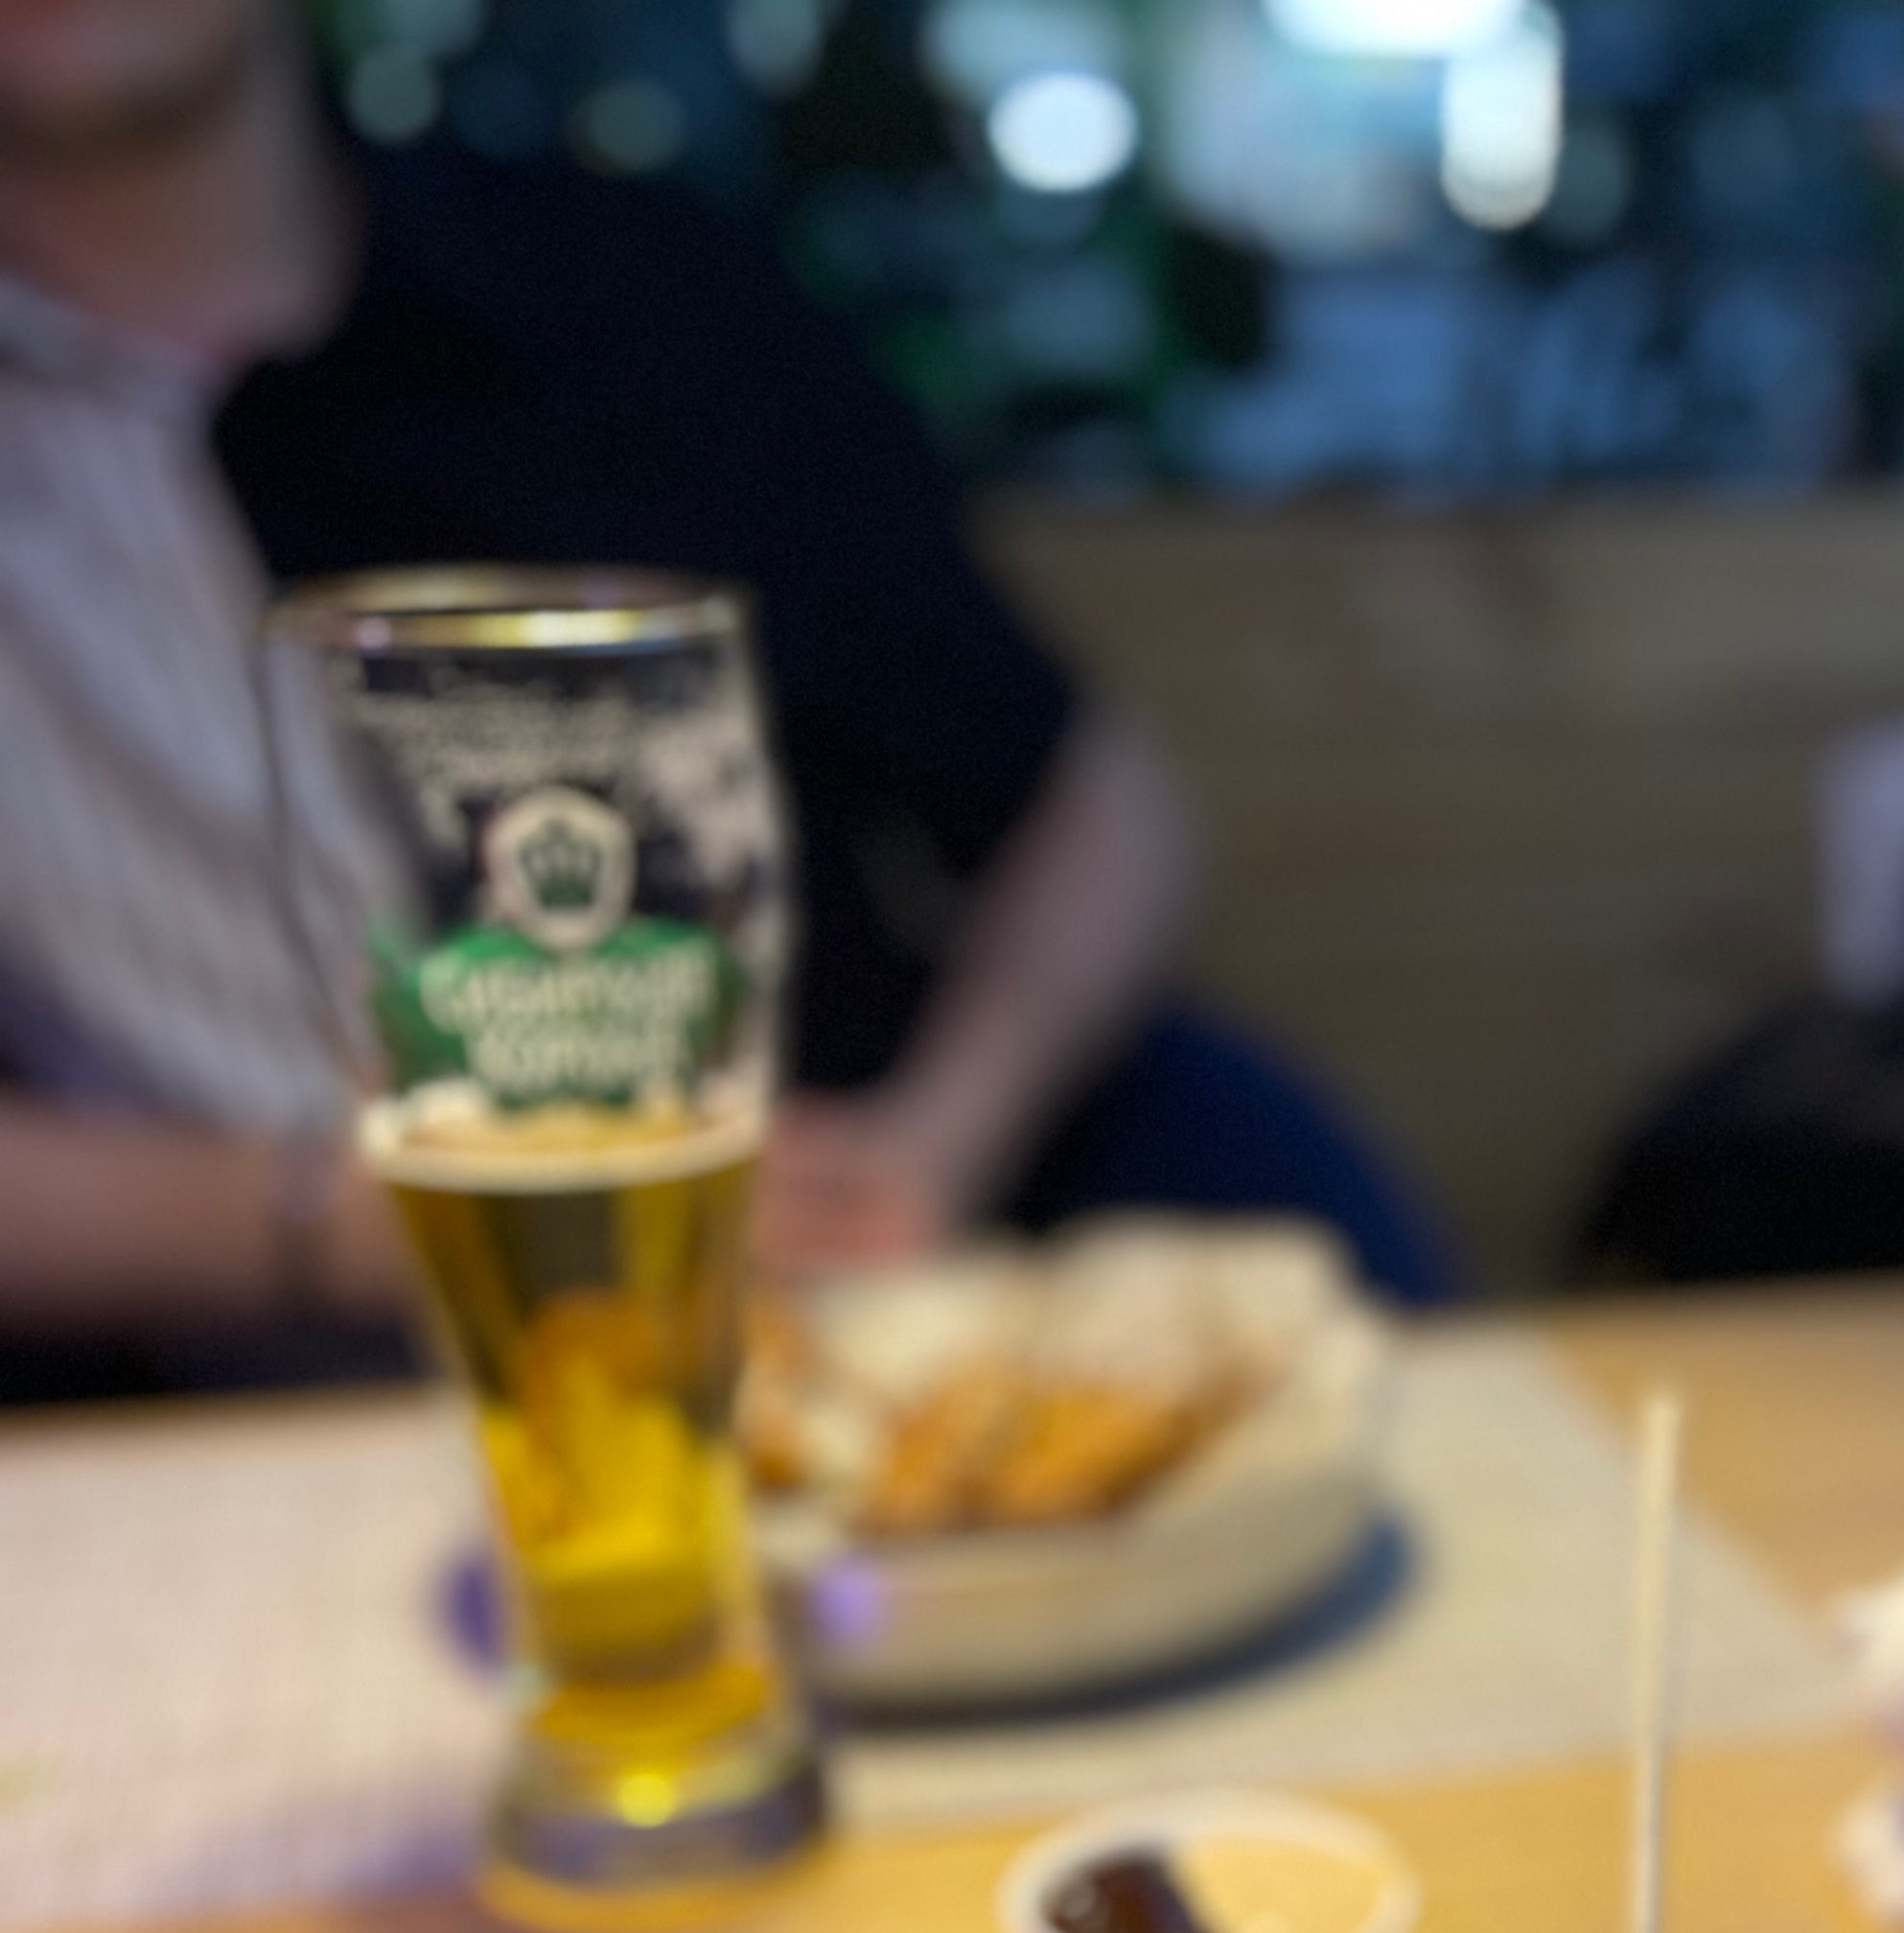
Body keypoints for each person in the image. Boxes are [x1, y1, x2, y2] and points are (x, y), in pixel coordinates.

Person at [0, 0, 1455, 1397]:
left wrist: (935, 1142)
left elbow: (1093, 797)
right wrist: (399, 1225)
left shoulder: (613, 296)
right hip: (240, 1416)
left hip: (861, 1300)